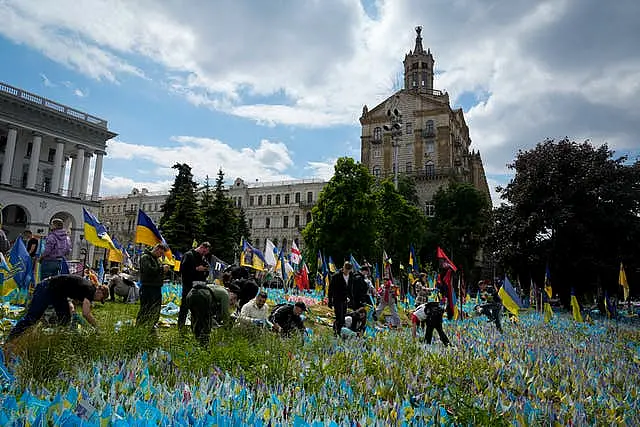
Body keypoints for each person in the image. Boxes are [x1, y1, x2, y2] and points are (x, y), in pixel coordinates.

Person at [5, 275, 109, 343]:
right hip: (47, 288)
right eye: (101, 299)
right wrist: (97, 327)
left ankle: (56, 340)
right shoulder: (90, 290)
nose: (98, 301)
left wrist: (70, 304)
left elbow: (70, 289)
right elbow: (86, 313)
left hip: (57, 293)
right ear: (100, 293)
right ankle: (9, 340)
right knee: (32, 318)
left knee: (65, 319)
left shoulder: (88, 286)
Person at [178, 242, 211, 330]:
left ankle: (195, 326)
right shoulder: (188, 255)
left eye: (206, 253)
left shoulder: (203, 258)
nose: (204, 254)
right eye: (204, 252)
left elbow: (205, 270)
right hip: (188, 285)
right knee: (185, 306)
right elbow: (183, 270)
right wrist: (196, 269)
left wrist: (205, 269)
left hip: (199, 285)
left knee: (196, 308)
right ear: (201, 247)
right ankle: (181, 326)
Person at [136, 243, 169, 329]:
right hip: (148, 287)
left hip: (156, 286)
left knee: (155, 307)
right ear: (157, 249)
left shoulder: (156, 259)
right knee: (146, 308)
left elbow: (156, 272)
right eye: (161, 253)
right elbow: (148, 271)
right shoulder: (145, 257)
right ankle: (140, 325)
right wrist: (162, 269)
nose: (161, 256)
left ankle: (151, 324)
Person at [328, 261, 353, 336]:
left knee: (343, 317)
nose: (347, 271)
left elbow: (350, 288)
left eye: (349, 270)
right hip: (337, 299)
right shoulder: (336, 276)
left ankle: (339, 330)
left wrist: (351, 299)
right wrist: (330, 300)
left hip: (345, 299)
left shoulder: (351, 276)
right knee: (339, 317)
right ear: (343, 268)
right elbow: (330, 289)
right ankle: (336, 333)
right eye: (346, 269)